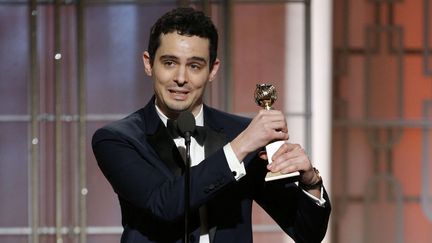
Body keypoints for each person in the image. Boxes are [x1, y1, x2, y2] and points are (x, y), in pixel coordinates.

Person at [92, 7, 331, 243]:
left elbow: (306, 233)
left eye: (194, 66)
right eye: (169, 63)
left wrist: (311, 182)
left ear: (212, 70)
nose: (181, 78)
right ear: (148, 63)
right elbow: (163, 204)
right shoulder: (116, 139)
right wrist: (239, 147)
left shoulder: (240, 134)